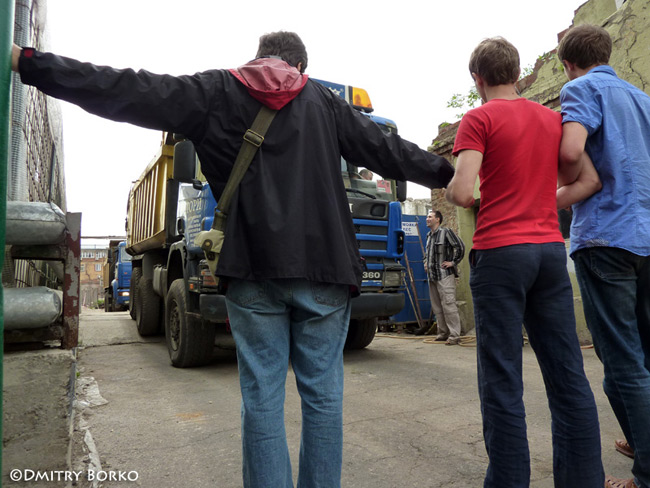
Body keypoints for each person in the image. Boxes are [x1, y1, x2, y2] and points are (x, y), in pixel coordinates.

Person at [12, 32, 453, 488]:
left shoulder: (215, 91)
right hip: (325, 270)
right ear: (300, 67)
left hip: (251, 269)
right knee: (323, 398)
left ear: (259, 56)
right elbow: (390, 152)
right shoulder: (324, 103)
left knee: (261, 399)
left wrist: (29, 63)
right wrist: (452, 171)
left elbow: (126, 88)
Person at [445, 36, 604, 487]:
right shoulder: (553, 119)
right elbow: (584, 178)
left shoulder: (477, 118)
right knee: (568, 371)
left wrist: (482, 195)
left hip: (499, 254)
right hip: (550, 251)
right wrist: (540, 199)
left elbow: (459, 192)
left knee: (501, 376)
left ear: (477, 78)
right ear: (516, 73)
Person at [557, 23, 650, 488]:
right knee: (642, 357)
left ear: (567, 63)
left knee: (624, 361)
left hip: (606, 237)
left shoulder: (580, 87)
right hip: (647, 237)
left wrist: (559, 183)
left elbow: (572, 148)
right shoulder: (640, 98)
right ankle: (640, 440)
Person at [419, 210, 465, 344]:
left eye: (429, 217)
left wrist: (453, 262)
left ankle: (455, 335)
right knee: (437, 307)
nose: (427, 219)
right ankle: (443, 333)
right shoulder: (428, 236)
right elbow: (426, 254)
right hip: (432, 277)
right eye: (427, 216)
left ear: (437, 219)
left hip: (445, 276)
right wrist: (425, 263)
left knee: (449, 305)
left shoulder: (446, 232)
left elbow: (460, 247)